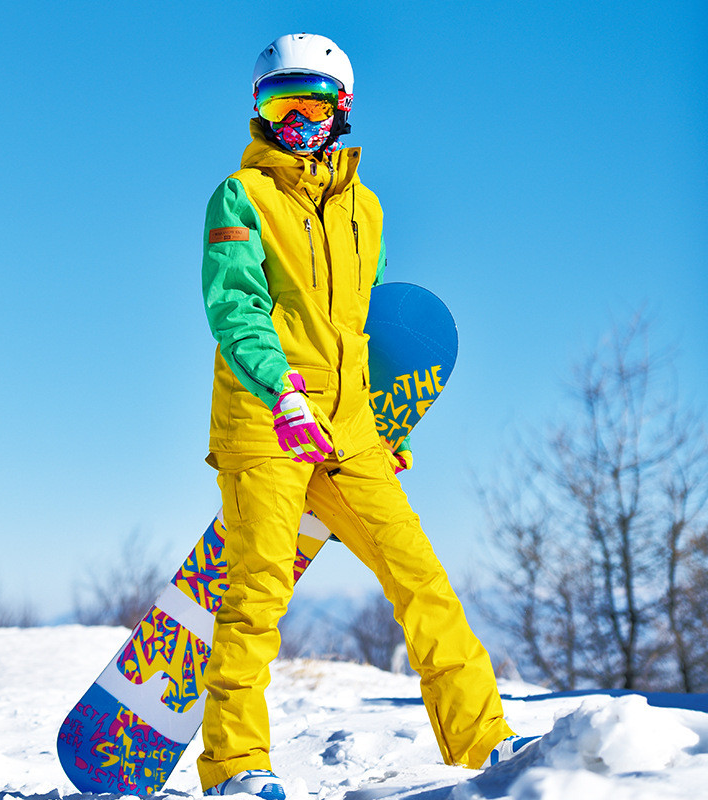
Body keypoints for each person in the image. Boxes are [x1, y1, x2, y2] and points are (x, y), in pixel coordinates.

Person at [198, 33, 534, 800]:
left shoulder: (367, 209)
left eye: (308, 103)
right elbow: (235, 306)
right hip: (265, 420)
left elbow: (369, 325)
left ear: (340, 108)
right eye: (276, 104)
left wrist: (391, 424)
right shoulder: (239, 197)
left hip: (350, 432)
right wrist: (281, 392)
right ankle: (236, 767)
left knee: (423, 580)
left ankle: (483, 738)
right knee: (254, 597)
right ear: (259, 113)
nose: (293, 121)